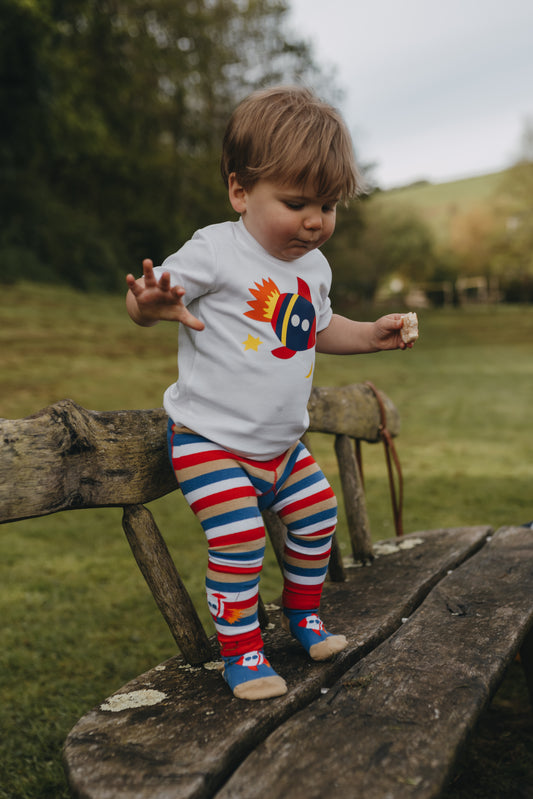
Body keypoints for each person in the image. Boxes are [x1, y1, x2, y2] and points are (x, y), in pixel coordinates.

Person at [126, 86, 414, 701]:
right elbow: (151, 295)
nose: (315, 221)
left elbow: (319, 328)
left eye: (328, 206)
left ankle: (302, 616)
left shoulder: (314, 267)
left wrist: (371, 334)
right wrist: (149, 303)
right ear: (240, 192)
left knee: (316, 517)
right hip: (210, 441)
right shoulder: (217, 250)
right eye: (296, 202)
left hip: (282, 446)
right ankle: (244, 652)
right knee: (240, 537)